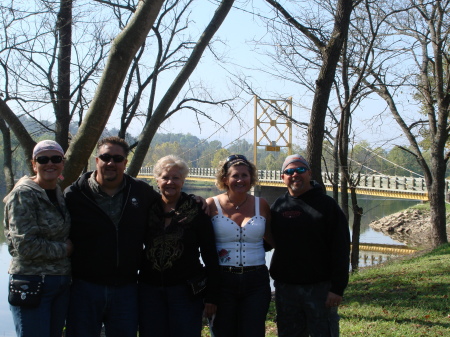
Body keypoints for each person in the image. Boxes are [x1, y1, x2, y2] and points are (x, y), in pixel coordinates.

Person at [64, 136, 160, 337]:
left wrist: (197, 201)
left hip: (126, 289)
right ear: (96, 160)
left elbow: (171, 207)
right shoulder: (73, 195)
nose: (111, 163)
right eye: (105, 157)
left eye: (117, 159)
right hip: (84, 288)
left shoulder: (141, 193)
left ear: (125, 163)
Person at [138, 155, 220, 337]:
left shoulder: (197, 209)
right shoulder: (146, 208)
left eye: (176, 178)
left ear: (183, 181)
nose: (170, 182)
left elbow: (209, 254)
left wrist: (212, 296)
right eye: (165, 177)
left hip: (185, 291)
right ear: (157, 180)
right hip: (149, 290)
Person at [270, 154, 350, 337]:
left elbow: (341, 248)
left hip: (320, 289)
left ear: (309, 173)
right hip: (286, 289)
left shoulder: (327, 205)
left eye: (300, 170)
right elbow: (267, 241)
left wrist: (337, 288)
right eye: (289, 171)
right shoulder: (279, 205)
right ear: (283, 177)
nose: (295, 174)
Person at [3, 140, 73, 337]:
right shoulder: (23, 194)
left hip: (59, 283)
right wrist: (65, 250)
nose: (49, 163)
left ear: (62, 163)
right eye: (43, 159)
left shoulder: (58, 193)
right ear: (34, 164)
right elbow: (25, 246)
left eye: (55, 159)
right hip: (31, 283)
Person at [206, 154, 274, 337]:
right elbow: (198, 240)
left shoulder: (262, 205)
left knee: (253, 332)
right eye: (235, 175)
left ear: (251, 178)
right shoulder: (211, 205)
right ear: (225, 179)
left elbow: (274, 239)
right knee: (222, 332)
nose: (240, 180)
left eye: (245, 175)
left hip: (257, 281)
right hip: (222, 280)